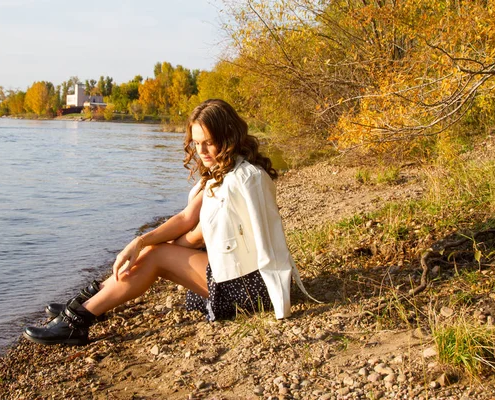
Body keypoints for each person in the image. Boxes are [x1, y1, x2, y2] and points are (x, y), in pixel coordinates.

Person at [23, 99, 313, 346]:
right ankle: (92, 302)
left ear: (229, 137)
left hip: (252, 286)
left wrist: (280, 297)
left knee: (157, 254)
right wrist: (140, 241)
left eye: (209, 143)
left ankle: (78, 320)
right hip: (234, 275)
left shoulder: (248, 178)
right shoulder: (222, 173)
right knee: (152, 249)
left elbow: (262, 239)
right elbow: (186, 218)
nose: (202, 152)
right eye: (197, 144)